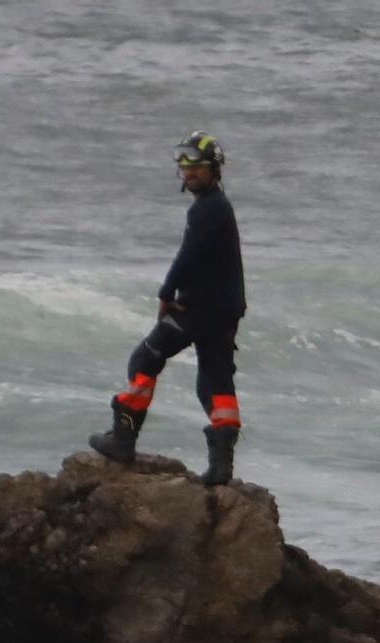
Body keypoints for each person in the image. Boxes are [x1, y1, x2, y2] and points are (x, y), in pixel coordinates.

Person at [89, 131, 247, 486]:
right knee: (215, 382)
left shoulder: (206, 209)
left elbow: (189, 255)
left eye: (196, 166)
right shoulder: (219, 206)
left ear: (214, 169)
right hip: (225, 311)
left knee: (144, 359)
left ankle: (123, 439)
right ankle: (221, 466)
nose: (188, 172)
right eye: (184, 166)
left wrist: (166, 291)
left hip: (198, 309)